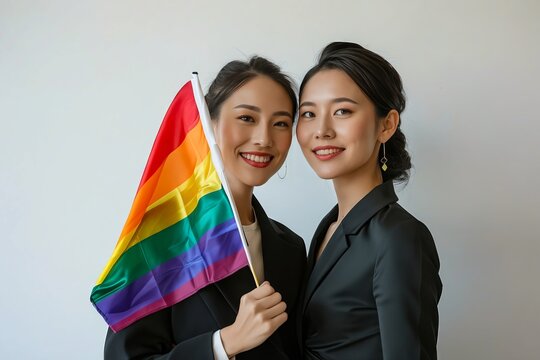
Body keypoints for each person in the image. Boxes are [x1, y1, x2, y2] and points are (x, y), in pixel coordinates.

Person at [104, 56, 306, 360]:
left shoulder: (291, 247)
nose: (264, 139)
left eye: (280, 123)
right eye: (247, 118)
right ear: (209, 124)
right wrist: (224, 344)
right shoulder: (161, 241)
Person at [296, 42, 442, 359]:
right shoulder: (329, 227)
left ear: (386, 125)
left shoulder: (398, 236)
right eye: (308, 113)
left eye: (342, 111)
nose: (321, 130)